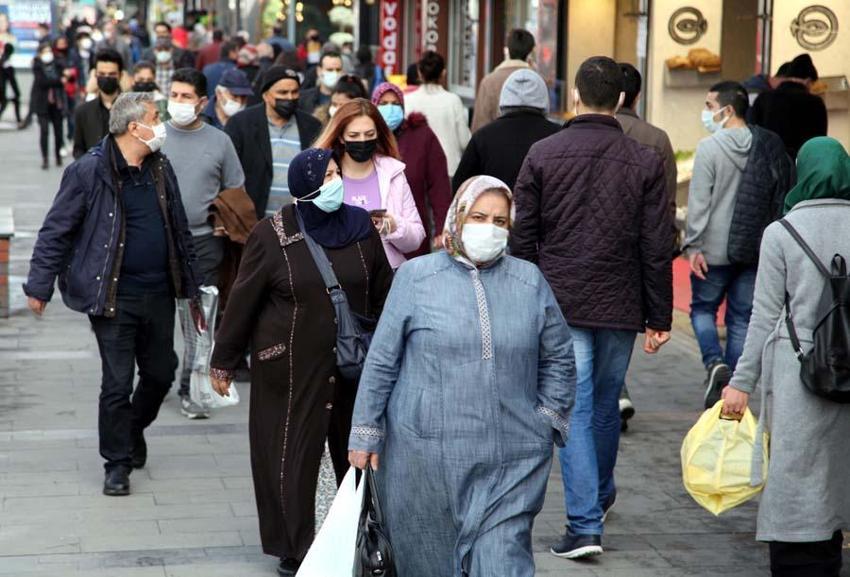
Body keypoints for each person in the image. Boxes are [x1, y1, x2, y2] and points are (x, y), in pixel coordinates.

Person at [348, 174, 576, 577]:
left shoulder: (528, 281)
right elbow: (382, 359)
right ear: (457, 217)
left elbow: (558, 355)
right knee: (430, 562)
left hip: (512, 457)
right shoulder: (416, 278)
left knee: (502, 561)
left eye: (500, 221)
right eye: (478, 216)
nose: (489, 228)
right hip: (424, 459)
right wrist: (366, 430)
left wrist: (546, 420)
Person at [511, 56, 673, 559]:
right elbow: (656, 242)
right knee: (602, 406)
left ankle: (584, 524)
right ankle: (597, 498)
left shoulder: (542, 153)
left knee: (575, 408)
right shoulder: (644, 160)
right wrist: (660, 316)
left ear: (575, 96)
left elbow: (524, 238)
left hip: (560, 299)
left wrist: (519, 297)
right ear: (621, 99)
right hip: (621, 301)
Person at [209, 148, 393, 576]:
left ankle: (357, 538)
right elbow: (243, 299)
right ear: (303, 184)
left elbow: (385, 288)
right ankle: (295, 547)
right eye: (325, 175)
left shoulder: (360, 226)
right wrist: (224, 359)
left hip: (353, 364)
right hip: (290, 367)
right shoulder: (272, 234)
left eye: (336, 173)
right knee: (292, 455)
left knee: (352, 450)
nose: (335, 182)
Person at [24, 92, 199, 497]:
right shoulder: (89, 171)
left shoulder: (159, 167)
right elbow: (56, 230)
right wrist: (39, 285)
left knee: (160, 373)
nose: (162, 124)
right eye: (156, 117)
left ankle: (132, 429)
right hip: (113, 296)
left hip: (158, 292)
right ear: (134, 126)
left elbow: (178, 226)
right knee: (117, 382)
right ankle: (117, 463)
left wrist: (191, 283)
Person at [722, 137, 850, 577]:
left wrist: (741, 383)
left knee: (797, 472)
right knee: (840, 469)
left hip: (800, 369)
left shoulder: (782, 232)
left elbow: (762, 316)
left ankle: (799, 563)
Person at [685, 81, 793, 409]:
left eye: (709, 105)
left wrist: (693, 245)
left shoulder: (709, 148)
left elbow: (699, 202)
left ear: (727, 110)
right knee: (741, 318)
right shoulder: (765, 145)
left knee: (703, 309)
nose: (706, 112)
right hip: (753, 245)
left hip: (712, 248)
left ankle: (713, 362)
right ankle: (731, 385)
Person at [163, 68, 246, 419]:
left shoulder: (219, 141)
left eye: (186, 97)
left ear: (202, 102)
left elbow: (235, 189)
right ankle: (159, 373)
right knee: (158, 320)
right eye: (174, 95)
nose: (178, 103)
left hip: (203, 245)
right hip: (159, 245)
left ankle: (189, 388)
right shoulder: (155, 135)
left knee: (200, 321)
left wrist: (224, 220)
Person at [615, 62, 679, 428]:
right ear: (637, 96)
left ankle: (615, 389)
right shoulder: (657, 138)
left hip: (597, 249)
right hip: (641, 248)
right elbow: (667, 203)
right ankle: (616, 387)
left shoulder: (586, 132)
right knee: (623, 323)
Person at [314, 98, 425, 269]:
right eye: (354, 135)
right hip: (338, 276)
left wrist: (394, 226)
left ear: (378, 134)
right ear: (341, 137)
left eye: (369, 134)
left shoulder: (393, 173)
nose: (362, 140)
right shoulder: (322, 175)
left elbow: (416, 238)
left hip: (388, 277)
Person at [225, 66, 322, 219]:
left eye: (294, 92)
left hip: (301, 222)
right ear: (265, 95)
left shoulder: (312, 127)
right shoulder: (241, 124)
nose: (290, 98)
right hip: (253, 222)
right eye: (282, 93)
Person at [372, 82, 452, 257]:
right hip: (374, 238)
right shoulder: (366, 139)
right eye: (383, 104)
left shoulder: (422, 136)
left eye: (395, 104)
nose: (390, 109)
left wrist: (442, 227)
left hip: (412, 234)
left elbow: (439, 186)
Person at [454, 68, 559, 191]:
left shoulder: (483, 137)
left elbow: (460, 186)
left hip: (495, 208)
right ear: (544, 99)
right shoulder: (560, 135)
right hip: (546, 210)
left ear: (504, 99)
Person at [404, 50, 470, 176]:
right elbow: (464, 141)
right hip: (448, 169)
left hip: (417, 170)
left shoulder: (408, 101)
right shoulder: (453, 100)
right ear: (443, 73)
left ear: (419, 73)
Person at [750, 54, 828, 160]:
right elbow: (818, 143)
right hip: (800, 167)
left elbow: (753, 134)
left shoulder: (763, 98)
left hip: (768, 166)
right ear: (808, 81)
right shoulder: (815, 103)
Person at [471, 28, 536, 132]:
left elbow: (479, 126)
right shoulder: (537, 81)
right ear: (530, 52)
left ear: (507, 50)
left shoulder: (489, 82)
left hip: (495, 144)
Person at [73, 48, 124, 159]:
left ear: (120, 75)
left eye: (111, 74)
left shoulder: (134, 110)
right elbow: (78, 149)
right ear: (95, 75)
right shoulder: (83, 111)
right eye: (102, 74)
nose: (106, 78)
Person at [32, 42, 67, 169]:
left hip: (56, 103)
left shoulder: (57, 64)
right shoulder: (37, 66)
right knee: (44, 131)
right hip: (42, 104)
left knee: (58, 131)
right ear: (40, 54)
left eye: (49, 51)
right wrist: (58, 81)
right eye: (45, 52)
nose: (48, 54)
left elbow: (66, 76)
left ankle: (57, 155)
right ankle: (45, 158)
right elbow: (42, 82)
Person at [298, 51, 343, 117]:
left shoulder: (350, 99)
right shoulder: (303, 99)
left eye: (338, 70)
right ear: (319, 71)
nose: (335, 73)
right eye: (329, 70)